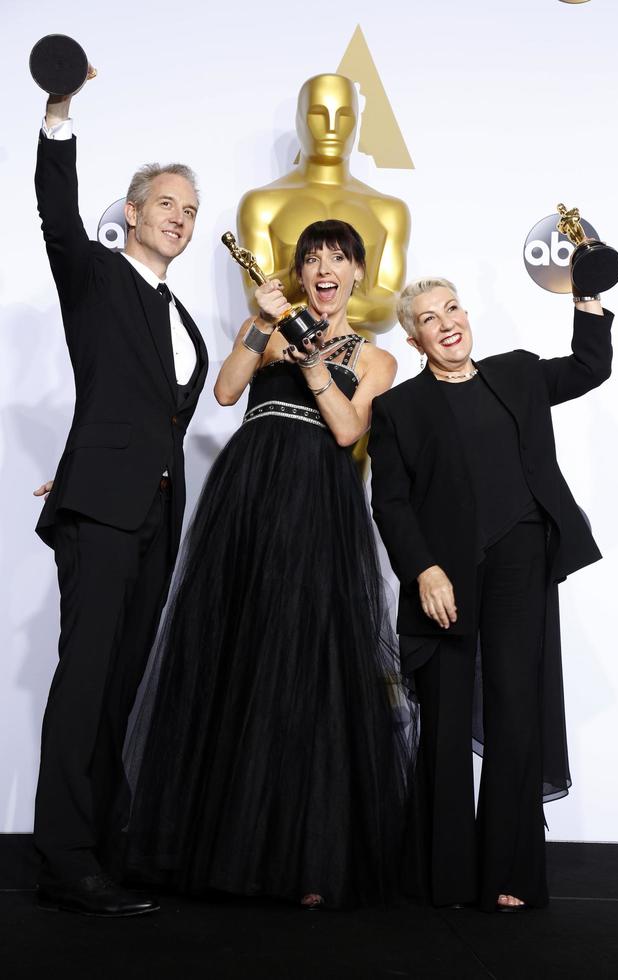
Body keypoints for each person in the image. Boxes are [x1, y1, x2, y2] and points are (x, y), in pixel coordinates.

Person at [124, 219, 415, 909]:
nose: (323, 268)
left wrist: (313, 359)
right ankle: (215, 846)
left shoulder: (376, 357)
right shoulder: (269, 330)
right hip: (250, 496)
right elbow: (225, 392)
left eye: (337, 259)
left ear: (357, 276)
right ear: (299, 272)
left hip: (318, 502)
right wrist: (260, 327)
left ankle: (309, 857)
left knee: (310, 669)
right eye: (312, 257)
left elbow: (348, 430)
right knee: (237, 657)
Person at [367, 278, 613, 912]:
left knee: (514, 710)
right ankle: (443, 876)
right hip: (446, 575)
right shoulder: (399, 410)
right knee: (445, 719)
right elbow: (390, 503)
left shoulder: (520, 375)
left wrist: (586, 298)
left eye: (451, 308)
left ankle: (510, 870)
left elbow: (590, 367)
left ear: (465, 315)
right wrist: (423, 570)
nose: (446, 323)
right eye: (428, 317)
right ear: (413, 337)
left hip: (520, 562)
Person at [32, 72, 208, 916]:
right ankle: (65, 859)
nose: (178, 215)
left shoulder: (181, 314)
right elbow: (57, 216)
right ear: (131, 211)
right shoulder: (96, 276)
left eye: (190, 209)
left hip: (155, 514)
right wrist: (59, 115)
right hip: (100, 512)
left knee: (124, 684)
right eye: (166, 202)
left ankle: (102, 845)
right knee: (86, 678)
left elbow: (146, 413)